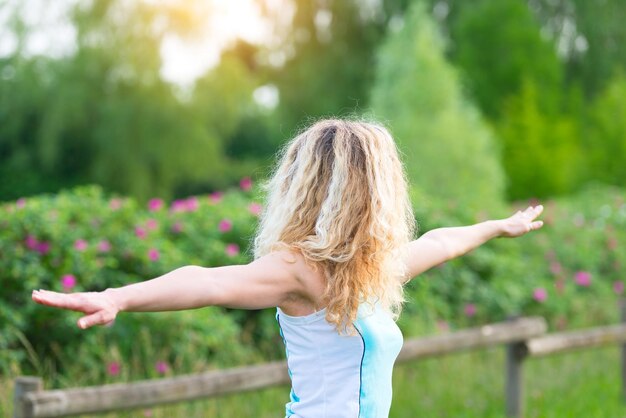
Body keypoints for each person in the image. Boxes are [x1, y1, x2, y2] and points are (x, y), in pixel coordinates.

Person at [32, 119, 544, 418]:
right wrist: (118, 297)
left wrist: (499, 226)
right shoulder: (297, 270)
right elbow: (209, 281)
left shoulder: (369, 273)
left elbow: (441, 242)